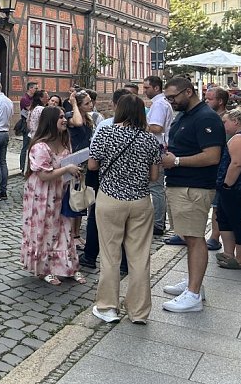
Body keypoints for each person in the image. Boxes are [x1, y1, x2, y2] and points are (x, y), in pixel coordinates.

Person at [88, 94, 161, 324]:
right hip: (140, 200)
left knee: (110, 255)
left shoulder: (106, 133)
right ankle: (139, 312)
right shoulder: (150, 140)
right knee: (139, 257)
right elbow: (154, 176)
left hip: (110, 198)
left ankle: (108, 307)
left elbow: (92, 164)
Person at [160, 76, 225, 312]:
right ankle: (193, 283)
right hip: (181, 185)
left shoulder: (206, 117)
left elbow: (212, 156)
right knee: (189, 236)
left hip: (194, 187)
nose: (170, 102)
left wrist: (176, 160)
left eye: (173, 97)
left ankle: (194, 295)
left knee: (195, 239)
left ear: (188, 92)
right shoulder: (185, 116)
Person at [19, 106, 85, 285]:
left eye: (65, 116)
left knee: (64, 228)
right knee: (45, 229)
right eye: (60, 117)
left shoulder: (65, 141)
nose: (65, 120)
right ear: (50, 122)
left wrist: (75, 170)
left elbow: (65, 166)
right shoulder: (40, 146)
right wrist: (67, 168)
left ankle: (69, 266)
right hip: (41, 194)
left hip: (60, 191)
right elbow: (43, 175)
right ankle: (44, 268)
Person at [81, 88, 130, 273]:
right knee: (127, 223)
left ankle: (90, 256)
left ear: (116, 105)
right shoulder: (143, 131)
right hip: (131, 187)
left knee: (95, 218)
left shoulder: (106, 126)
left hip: (105, 180)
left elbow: (93, 161)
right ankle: (125, 262)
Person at [214, 106, 241, 270]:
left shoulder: (240, 139)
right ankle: (229, 254)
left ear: (235, 122)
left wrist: (227, 184)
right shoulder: (239, 137)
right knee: (224, 218)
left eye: (225, 121)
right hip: (234, 188)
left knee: (238, 221)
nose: (223, 125)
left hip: (237, 188)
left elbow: (237, 163)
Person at [142, 76, 174, 238]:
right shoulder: (160, 103)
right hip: (158, 148)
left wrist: (137, 124)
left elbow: (157, 127)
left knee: (156, 187)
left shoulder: (160, 104)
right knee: (156, 187)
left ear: (156, 88)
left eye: (147, 88)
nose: (144, 90)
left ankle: (158, 223)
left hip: (156, 148)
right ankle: (157, 221)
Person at [66, 90, 94, 247]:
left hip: (85, 161)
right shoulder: (71, 115)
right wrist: (74, 104)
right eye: (87, 103)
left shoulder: (88, 117)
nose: (91, 105)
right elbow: (77, 123)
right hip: (74, 161)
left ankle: (76, 233)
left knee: (81, 199)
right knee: (73, 198)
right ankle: (71, 234)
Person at [203, 86, 229, 249]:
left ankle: (214, 236)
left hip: (223, 166)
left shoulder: (227, 119)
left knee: (218, 205)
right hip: (208, 167)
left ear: (220, 101)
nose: (206, 101)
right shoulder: (206, 117)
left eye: (210, 98)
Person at [20, 82, 39, 172]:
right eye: (35, 88)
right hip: (27, 124)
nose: (37, 90)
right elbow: (31, 109)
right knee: (25, 146)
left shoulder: (33, 98)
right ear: (30, 88)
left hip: (33, 124)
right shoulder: (25, 99)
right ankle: (22, 166)